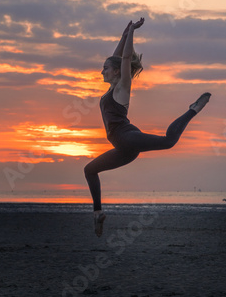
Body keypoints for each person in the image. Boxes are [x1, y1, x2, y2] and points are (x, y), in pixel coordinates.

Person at [84, 18, 211, 237]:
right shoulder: (112, 87)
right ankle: (97, 214)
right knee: (89, 170)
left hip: (127, 137)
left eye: (105, 68)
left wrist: (132, 32)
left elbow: (122, 59)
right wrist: (124, 35)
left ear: (116, 72)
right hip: (124, 148)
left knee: (169, 141)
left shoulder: (122, 87)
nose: (101, 71)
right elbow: (117, 58)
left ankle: (192, 110)